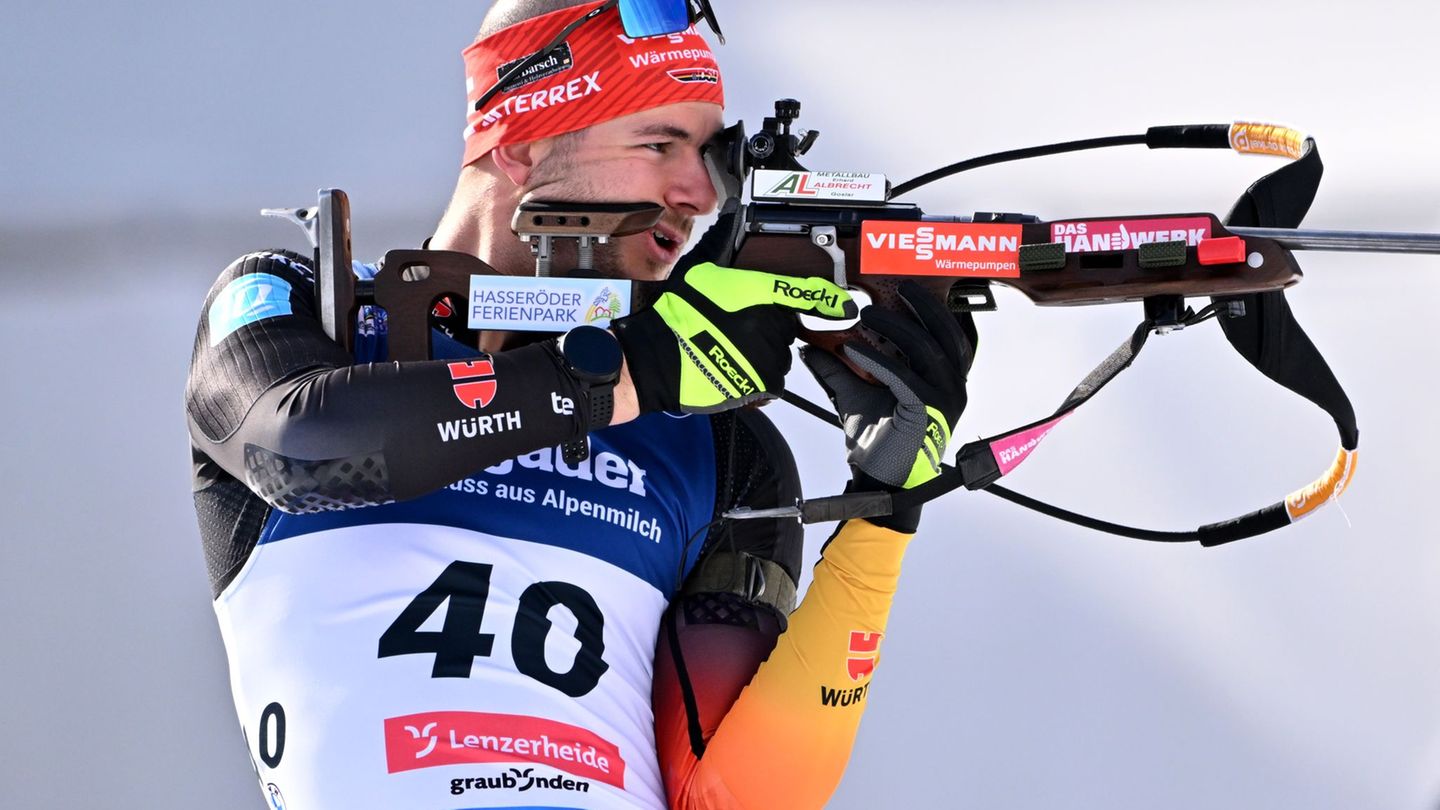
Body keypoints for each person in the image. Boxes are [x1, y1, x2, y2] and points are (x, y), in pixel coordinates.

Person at [184, 1, 973, 807]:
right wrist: (629, 374)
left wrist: (886, 509)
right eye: (659, 144)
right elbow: (300, 449)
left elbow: (735, 797)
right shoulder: (309, 308)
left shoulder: (717, 444)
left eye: (710, 157)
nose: (699, 194)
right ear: (520, 143)